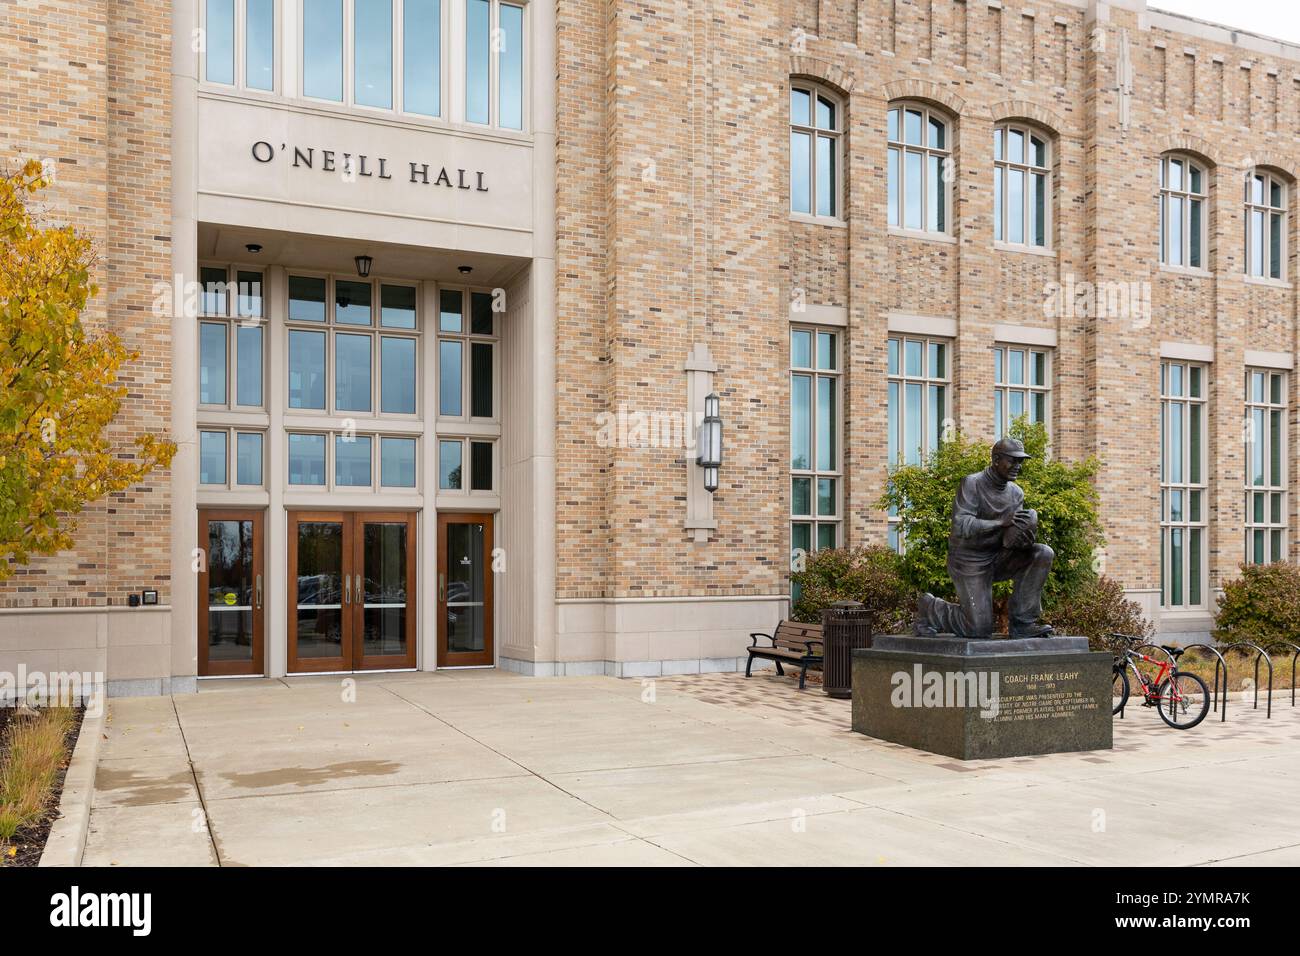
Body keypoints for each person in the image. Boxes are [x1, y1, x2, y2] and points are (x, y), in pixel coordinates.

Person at [914, 437, 1055, 639]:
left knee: (1042, 553)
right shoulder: (972, 483)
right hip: (969, 561)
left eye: (1020, 462)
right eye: (1012, 460)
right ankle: (930, 608)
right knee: (978, 629)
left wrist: (1024, 535)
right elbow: (961, 525)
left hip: (998, 557)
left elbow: (1010, 535)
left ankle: (1023, 623)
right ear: (996, 460)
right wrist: (1000, 522)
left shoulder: (1016, 493)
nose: (1018, 466)